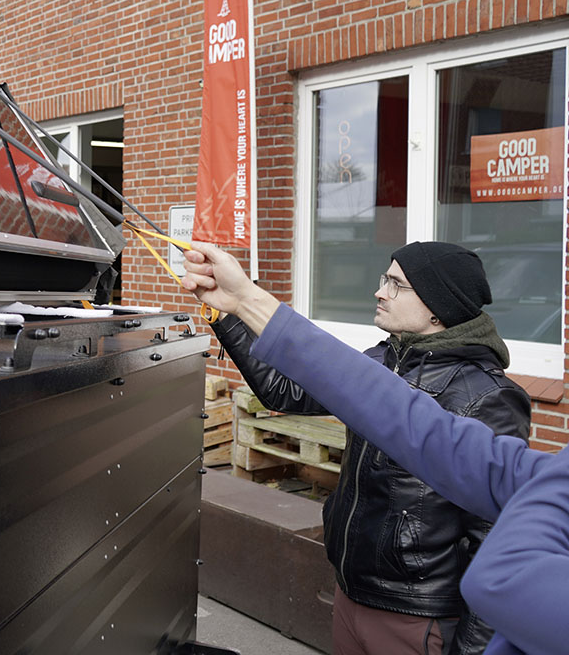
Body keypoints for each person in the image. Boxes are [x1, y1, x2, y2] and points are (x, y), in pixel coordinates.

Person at [180, 242, 568, 655]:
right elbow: (287, 389)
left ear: (438, 307)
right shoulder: (387, 358)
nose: (380, 291)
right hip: (352, 591)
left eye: (397, 285)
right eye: (386, 279)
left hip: (415, 616)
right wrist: (231, 311)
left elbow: (490, 539)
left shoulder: (488, 396)